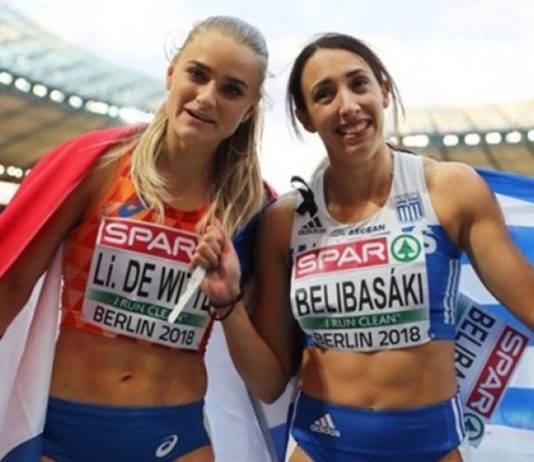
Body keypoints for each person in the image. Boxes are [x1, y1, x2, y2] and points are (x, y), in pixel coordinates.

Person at [192, 33, 534, 461]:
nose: (348, 105)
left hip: (431, 448)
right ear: (305, 117)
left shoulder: (449, 191)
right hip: (320, 447)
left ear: (383, 91)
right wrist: (227, 305)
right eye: (324, 94)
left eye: (359, 84)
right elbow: (269, 383)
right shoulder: (285, 221)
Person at [0, 15, 270, 462]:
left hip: (175, 437)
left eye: (231, 89)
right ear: (172, 73)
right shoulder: (99, 166)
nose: (207, 97)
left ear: (249, 109)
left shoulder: (252, 208)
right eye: (197, 74)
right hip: (64, 432)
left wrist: (229, 303)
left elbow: (268, 379)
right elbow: (11, 285)